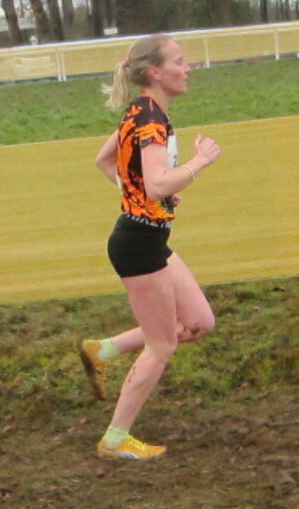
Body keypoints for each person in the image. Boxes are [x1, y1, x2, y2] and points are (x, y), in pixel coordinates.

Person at [77, 35, 221, 461]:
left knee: (199, 322)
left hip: (148, 238)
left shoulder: (141, 110)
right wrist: (199, 162)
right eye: (179, 61)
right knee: (162, 345)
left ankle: (103, 350)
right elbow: (157, 183)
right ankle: (115, 439)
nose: (188, 68)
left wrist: (146, 196)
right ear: (156, 72)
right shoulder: (150, 119)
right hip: (138, 246)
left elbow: (106, 162)